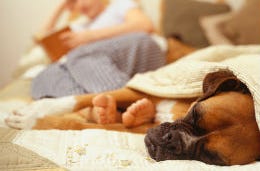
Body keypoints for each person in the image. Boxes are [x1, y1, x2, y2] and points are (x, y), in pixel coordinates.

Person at [31, 0, 166, 99]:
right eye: (74, 2)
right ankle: (97, 107)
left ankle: (125, 98)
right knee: (42, 77)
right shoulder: (80, 26)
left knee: (79, 56)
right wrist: (61, 6)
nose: (80, 6)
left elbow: (144, 25)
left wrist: (89, 37)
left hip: (134, 53)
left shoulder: (119, 5)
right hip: (94, 71)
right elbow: (40, 38)